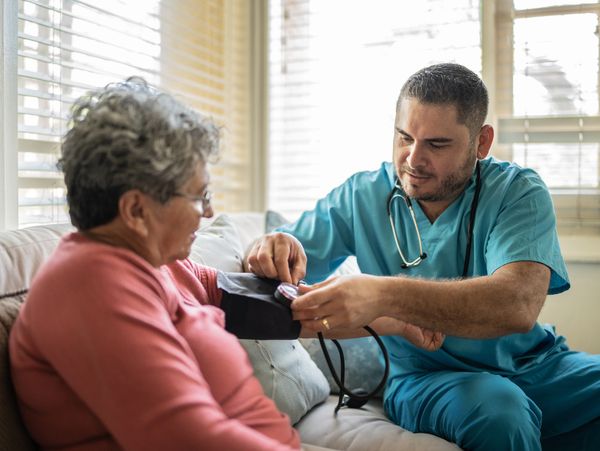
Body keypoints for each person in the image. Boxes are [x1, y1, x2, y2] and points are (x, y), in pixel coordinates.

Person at [246, 63, 600, 451]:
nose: (413, 159)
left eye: (437, 144)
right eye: (404, 138)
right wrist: (269, 246)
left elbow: (516, 304)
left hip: (539, 365)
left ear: (481, 143)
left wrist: (383, 295)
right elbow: (281, 271)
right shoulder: (360, 197)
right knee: (501, 412)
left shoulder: (516, 192)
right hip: (428, 377)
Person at [9, 78, 301, 451]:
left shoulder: (156, 263)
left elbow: (222, 289)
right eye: (200, 196)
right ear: (136, 210)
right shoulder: (90, 288)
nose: (209, 212)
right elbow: (189, 438)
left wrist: (327, 299)